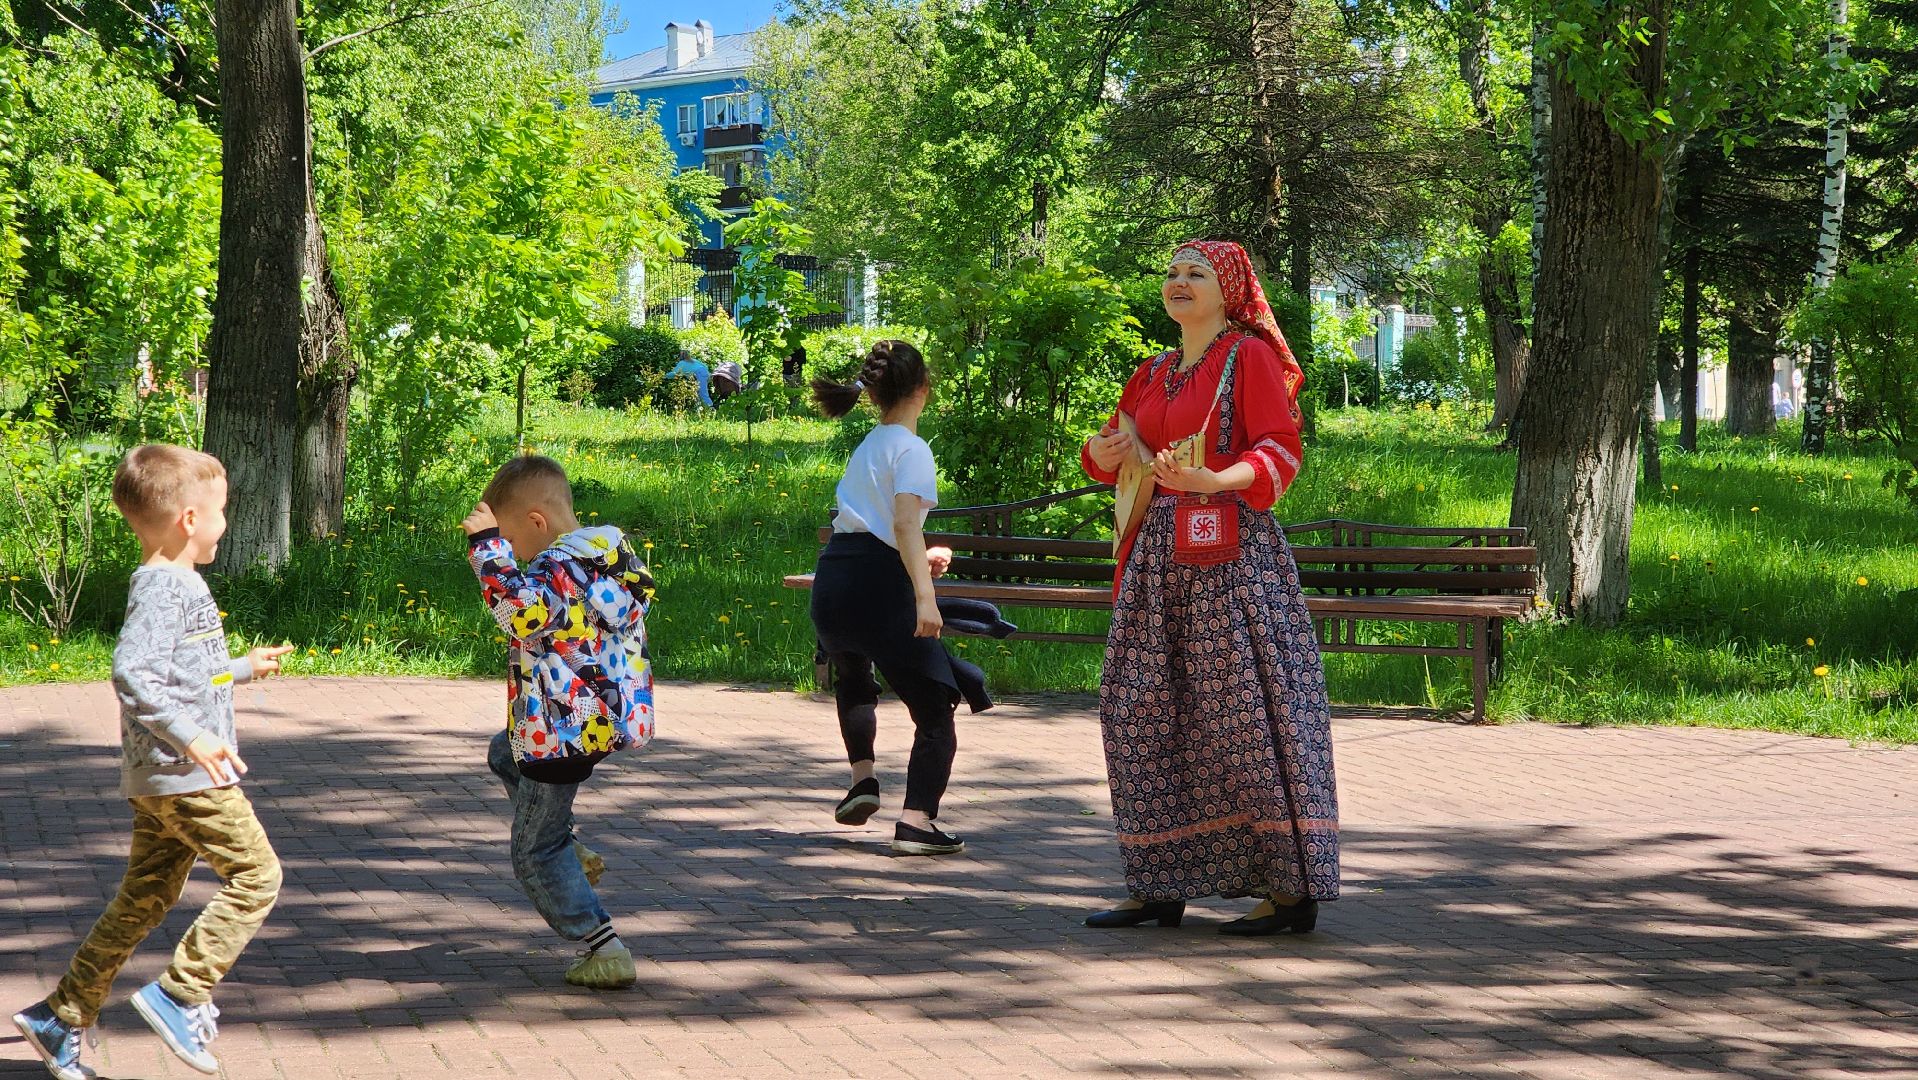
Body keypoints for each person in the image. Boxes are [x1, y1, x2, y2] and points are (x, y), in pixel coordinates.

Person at [1079, 239, 1339, 936]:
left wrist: (1213, 480)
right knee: (1139, 712)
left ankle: (1289, 894)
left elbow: (1280, 448)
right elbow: (1110, 450)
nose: (1178, 282)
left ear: (1228, 291)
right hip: (1155, 563)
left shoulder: (1245, 357)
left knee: (1241, 720)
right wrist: (1103, 451)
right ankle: (1157, 882)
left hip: (1231, 558)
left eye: (1196, 273)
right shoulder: (1152, 372)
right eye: (1170, 272)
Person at [12, 444, 294, 1079]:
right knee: (258, 877)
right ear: (190, 519)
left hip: (160, 777)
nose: (226, 522)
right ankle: (180, 993)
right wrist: (194, 737)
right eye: (221, 511)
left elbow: (181, 674)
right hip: (186, 773)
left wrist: (242, 669)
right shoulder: (166, 586)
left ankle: (62, 1016)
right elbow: (133, 675)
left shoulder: (175, 584)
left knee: (143, 898)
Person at [459, 455, 657, 989]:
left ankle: (603, 945)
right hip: (594, 716)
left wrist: (486, 552)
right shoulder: (603, 555)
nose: (513, 554)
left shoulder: (556, 571)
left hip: (562, 728)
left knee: (532, 852)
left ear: (536, 522)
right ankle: (568, 844)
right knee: (504, 752)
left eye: (512, 538)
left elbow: (521, 613)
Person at [809, 341, 990, 856]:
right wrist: (925, 596)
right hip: (877, 590)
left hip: (836, 582)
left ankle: (863, 780)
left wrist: (915, 559)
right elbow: (906, 523)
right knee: (936, 703)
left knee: (854, 678)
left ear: (873, 395)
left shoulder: (869, 444)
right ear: (923, 391)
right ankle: (917, 822)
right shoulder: (912, 448)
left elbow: (879, 530)